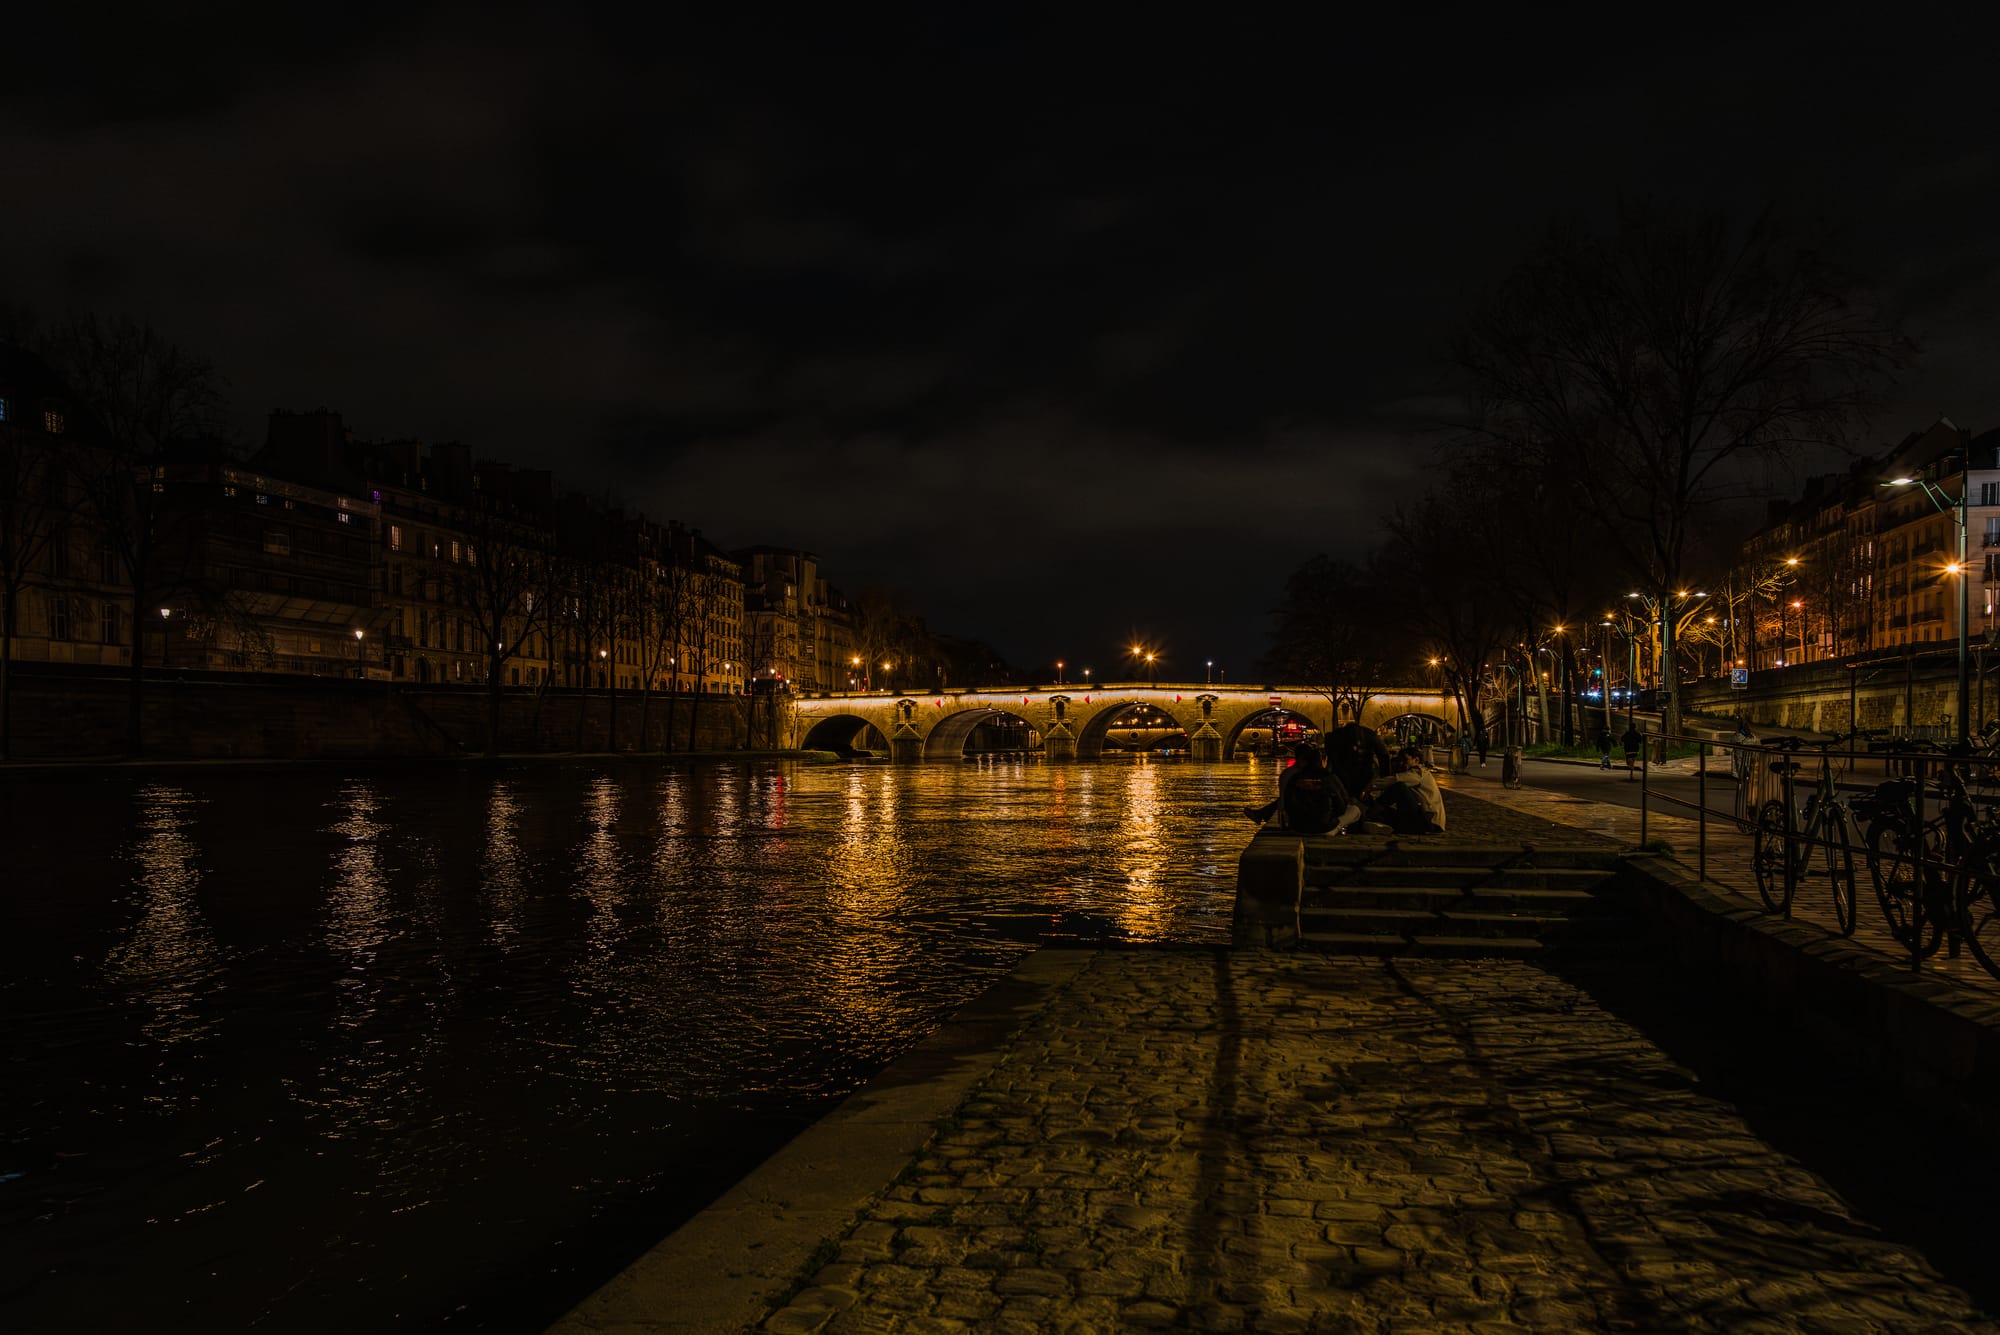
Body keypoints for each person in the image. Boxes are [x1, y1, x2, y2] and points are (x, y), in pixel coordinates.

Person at [1243, 742, 1359, 834]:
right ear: (1322, 761)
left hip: (1299, 828)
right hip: (1325, 828)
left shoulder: (1293, 777)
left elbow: (1285, 802)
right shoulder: (1329, 778)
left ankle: (1261, 814)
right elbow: (1341, 806)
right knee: (1355, 810)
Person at [1368, 746, 1446, 834]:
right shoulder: (1417, 773)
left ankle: (1370, 812)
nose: (1402, 763)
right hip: (1425, 819)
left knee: (1399, 787)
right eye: (1400, 760)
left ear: (1416, 760)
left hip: (1429, 821)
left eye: (1405, 760)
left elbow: (1394, 780)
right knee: (1385, 812)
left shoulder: (1418, 773)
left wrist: (1368, 787)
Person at [1324, 720, 1394, 805]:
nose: (1355, 748)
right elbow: (1333, 760)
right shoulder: (1336, 737)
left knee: (1362, 795)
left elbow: (1384, 757)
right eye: (1352, 744)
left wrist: (1385, 780)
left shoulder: (1371, 736)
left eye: (1358, 745)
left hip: (1364, 770)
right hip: (1344, 768)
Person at [1729, 718, 1757, 827]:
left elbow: (1731, 741)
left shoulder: (1737, 737)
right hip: (1751, 765)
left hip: (1742, 765)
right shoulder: (1752, 737)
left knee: (1743, 787)